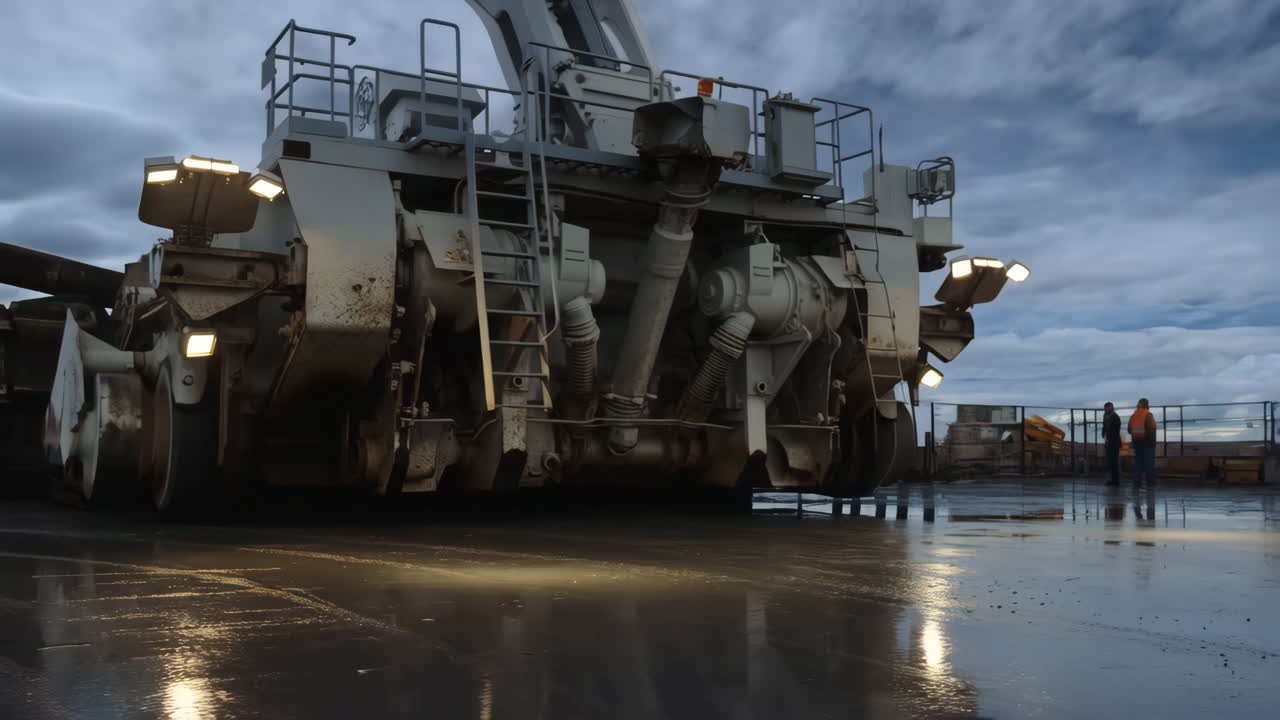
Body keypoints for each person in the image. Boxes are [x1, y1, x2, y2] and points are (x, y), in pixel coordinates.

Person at [1128, 398, 1158, 486]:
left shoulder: (1133, 415)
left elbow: (1129, 430)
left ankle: (1137, 481)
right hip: (1148, 443)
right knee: (1149, 463)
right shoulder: (1148, 415)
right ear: (1147, 405)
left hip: (1137, 443)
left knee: (1138, 463)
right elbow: (1152, 428)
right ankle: (1150, 482)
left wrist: (1137, 434)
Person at [1102, 402, 1121, 486]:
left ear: (1111, 408)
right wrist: (1104, 434)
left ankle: (1115, 480)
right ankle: (1113, 479)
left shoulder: (1115, 417)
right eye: (1105, 408)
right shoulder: (1106, 416)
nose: (1105, 410)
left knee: (1114, 462)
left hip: (1114, 442)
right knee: (1110, 462)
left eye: (1107, 408)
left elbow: (1115, 430)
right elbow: (1104, 426)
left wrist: (1107, 435)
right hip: (1109, 441)